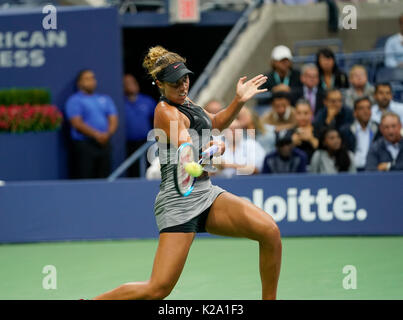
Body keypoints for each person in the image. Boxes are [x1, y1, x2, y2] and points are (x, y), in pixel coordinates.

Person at [94, 46, 282, 300]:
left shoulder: (187, 101)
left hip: (206, 193)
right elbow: (186, 144)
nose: (183, 87)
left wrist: (238, 101)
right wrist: (211, 148)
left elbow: (214, 123)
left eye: (185, 79)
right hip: (178, 202)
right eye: (175, 84)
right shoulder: (165, 112)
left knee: (269, 231)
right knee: (157, 289)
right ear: (160, 84)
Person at [65, 69, 118, 179]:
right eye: (87, 79)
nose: (91, 81)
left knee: (105, 178)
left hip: (104, 144)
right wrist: (96, 135)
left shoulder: (105, 99)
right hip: (85, 145)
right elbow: (77, 123)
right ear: (79, 83)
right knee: (85, 177)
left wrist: (107, 134)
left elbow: (113, 118)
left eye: (93, 78)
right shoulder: (74, 100)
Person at [124, 74, 157, 177]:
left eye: (133, 82)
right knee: (133, 172)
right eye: (127, 83)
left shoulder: (147, 101)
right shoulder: (120, 102)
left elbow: (157, 119)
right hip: (128, 145)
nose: (131, 85)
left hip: (147, 143)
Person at [339, 97, 381, 171]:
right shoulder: (345, 131)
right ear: (355, 113)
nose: (366, 111)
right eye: (361, 108)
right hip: (352, 170)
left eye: (368, 108)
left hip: (374, 169)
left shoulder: (379, 129)